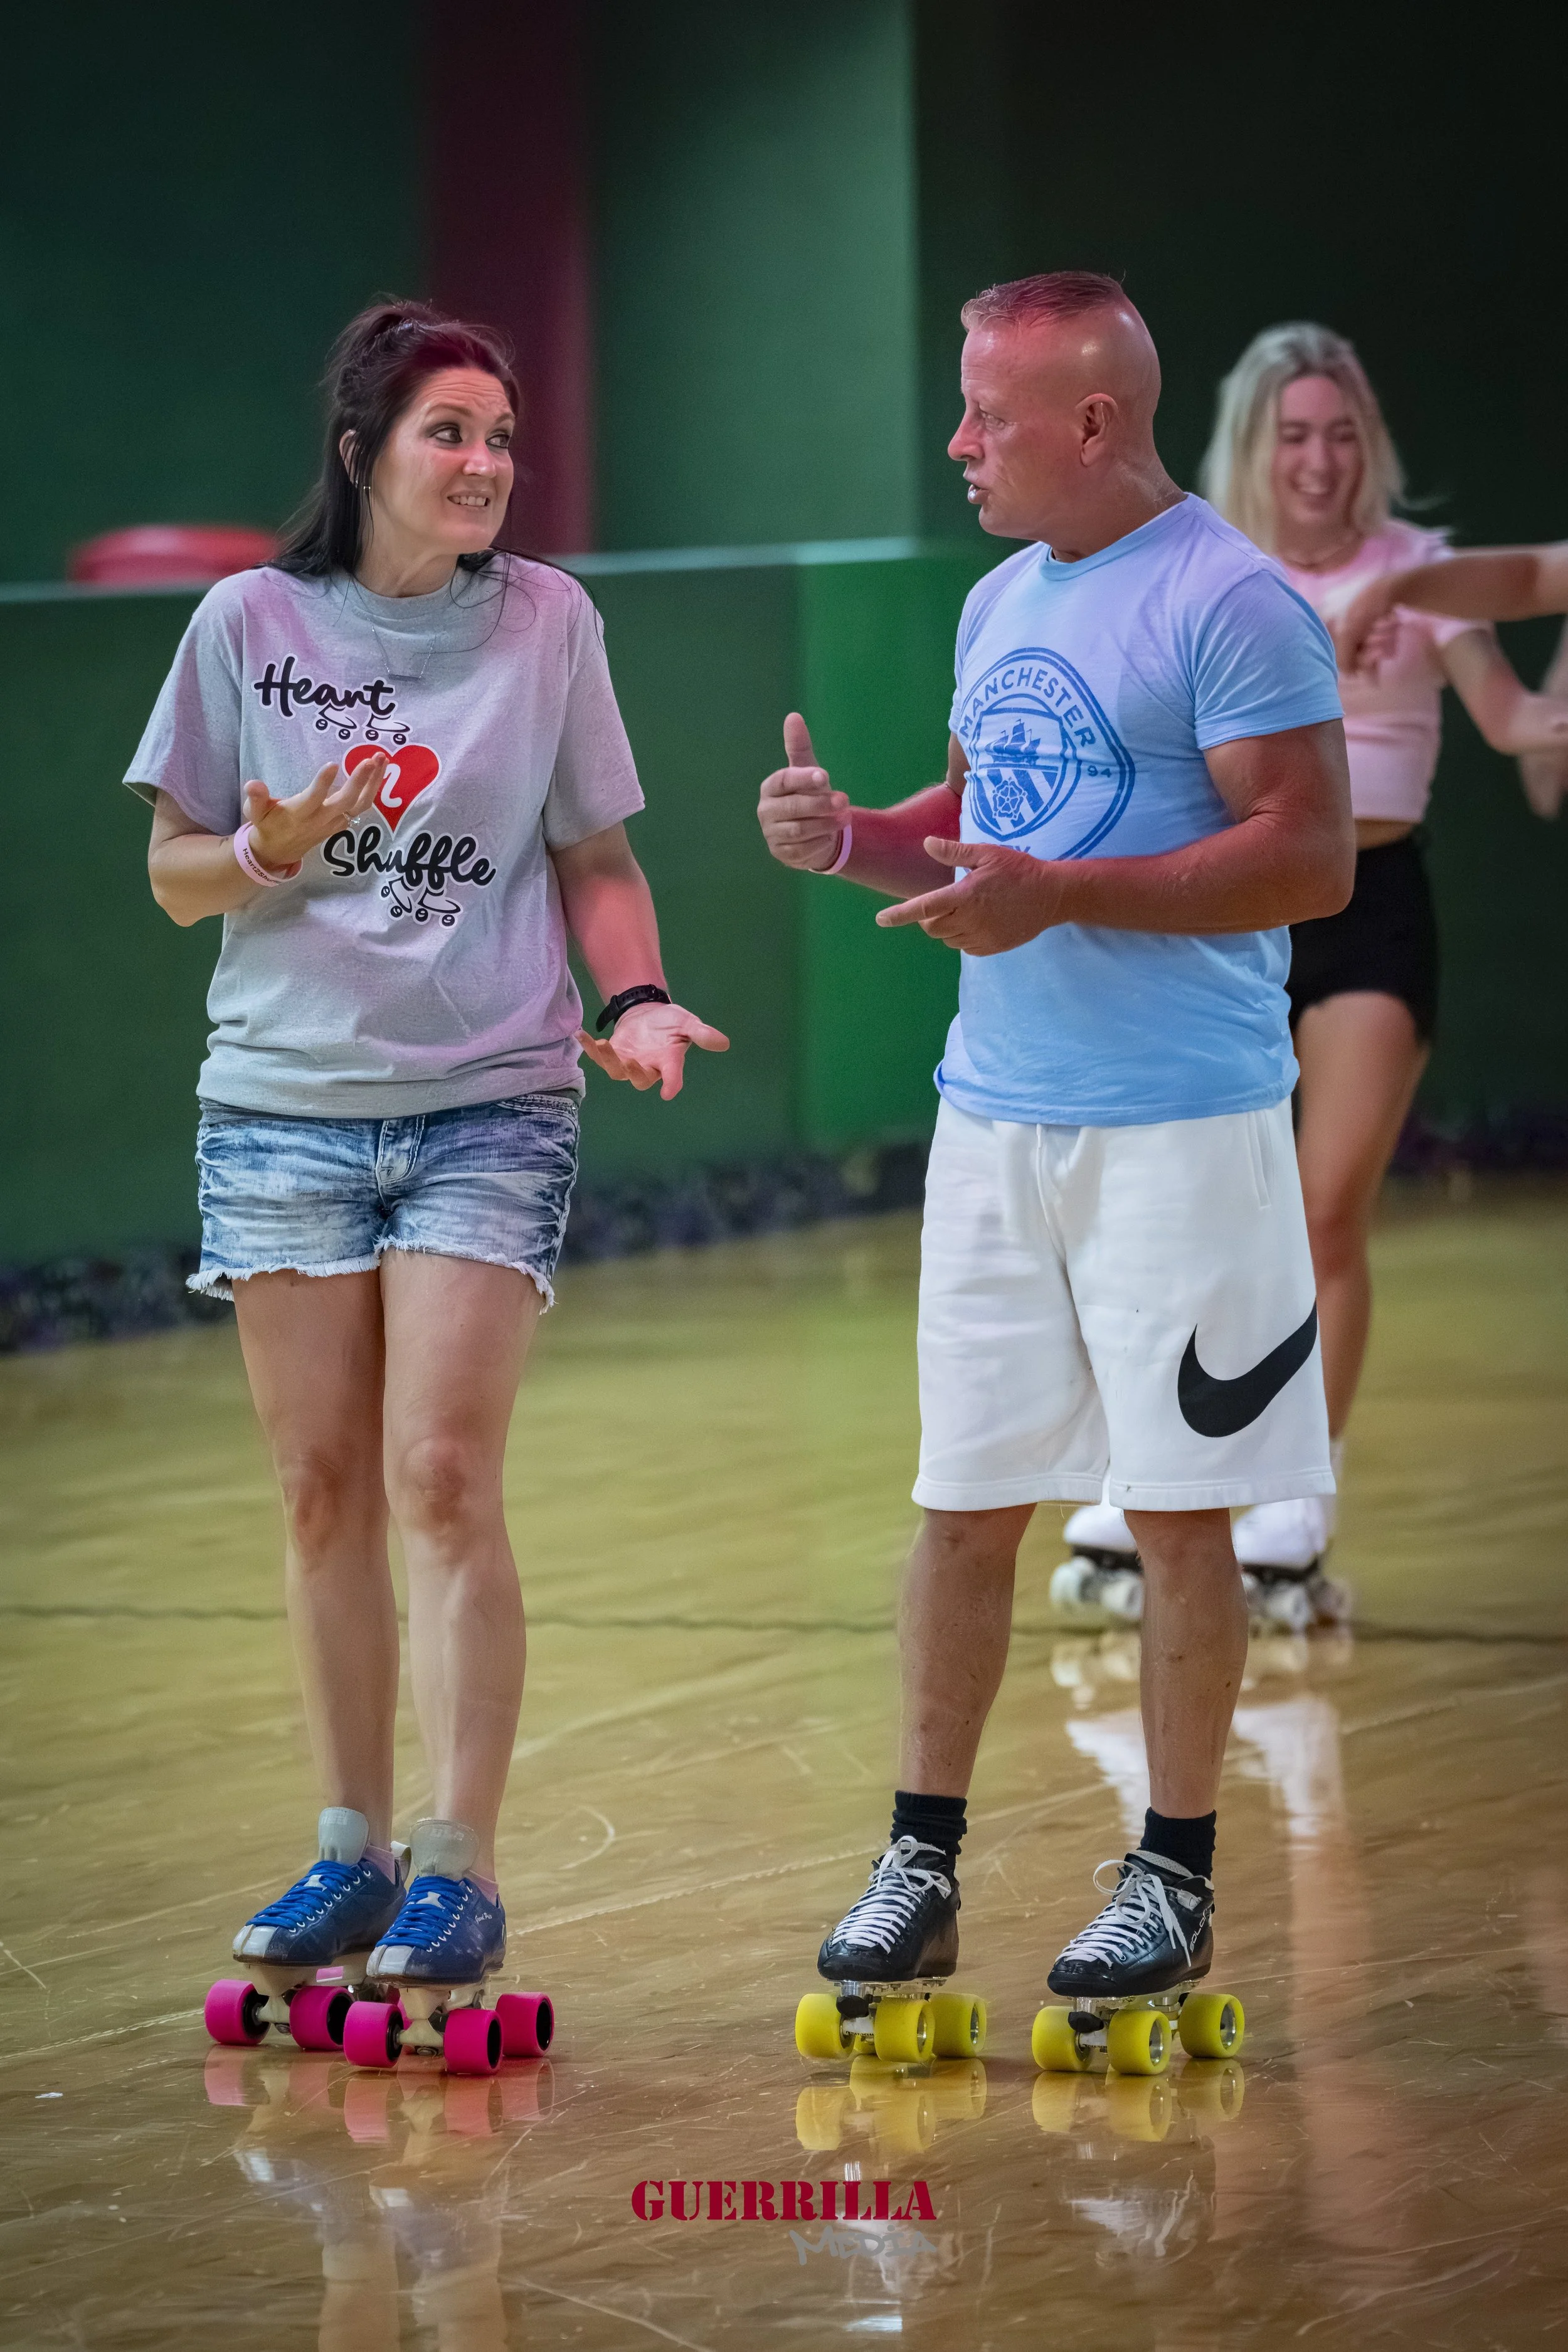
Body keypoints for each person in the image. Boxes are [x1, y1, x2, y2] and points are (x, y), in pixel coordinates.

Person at [758, 270, 1352, 2017]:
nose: (955, 442)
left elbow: (1306, 851)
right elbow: (974, 840)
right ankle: (917, 1859)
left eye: (986, 415)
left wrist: (1060, 898)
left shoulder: (1231, 602)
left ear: (1094, 420)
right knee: (959, 1506)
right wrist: (848, 835)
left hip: (1184, 1129)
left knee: (1176, 1514)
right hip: (992, 1122)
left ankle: (1169, 1874)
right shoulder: (1000, 595)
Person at [130, 300, 726, 2016]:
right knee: (320, 1488)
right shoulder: (248, 621)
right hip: (279, 1103)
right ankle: (349, 1844)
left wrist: (643, 993)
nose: (485, 466)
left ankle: (457, 1860)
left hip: (490, 1092)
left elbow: (593, 850)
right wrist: (260, 844)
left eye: (501, 437)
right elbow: (174, 877)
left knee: (441, 1474)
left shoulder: (547, 621)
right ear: (361, 452)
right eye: (449, 433)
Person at [1060, 325, 1568, 1624]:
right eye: (1294, 434)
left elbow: (1515, 720)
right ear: (1253, 445)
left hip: (1371, 914)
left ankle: (1294, 1493)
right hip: (1226, 919)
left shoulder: (1415, 570)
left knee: (1316, 1205)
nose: (1319, 459)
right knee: (1184, 1209)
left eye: (1340, 433)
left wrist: (1437, 627)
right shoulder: (1207, 571)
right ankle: (1163, 1473)